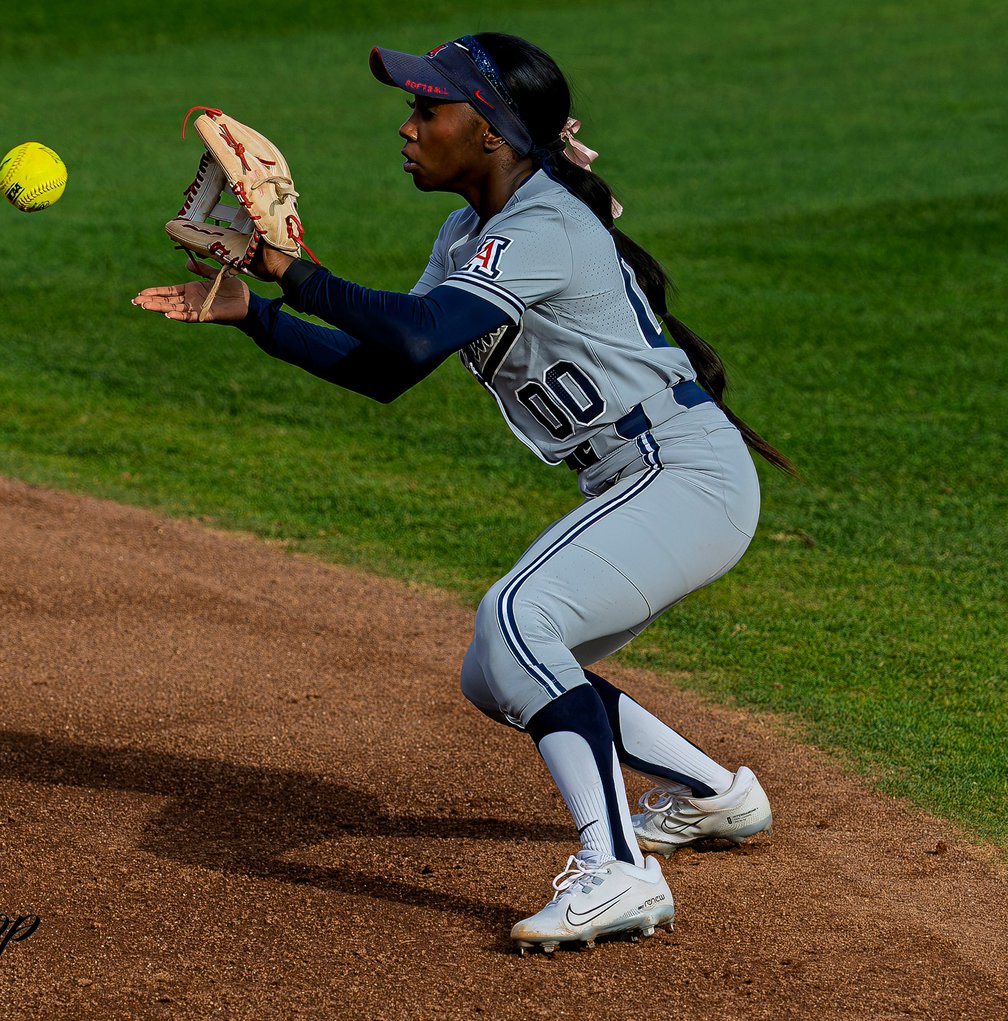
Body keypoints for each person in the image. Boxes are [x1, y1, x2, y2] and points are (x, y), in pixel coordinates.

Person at [134, 33, 793, 953]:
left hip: (682, 474)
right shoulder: (468, 234)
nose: (407, 129)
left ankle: (618, 872)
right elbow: (385, 367)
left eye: (426, 110)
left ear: (488, 132)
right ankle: (714, 794)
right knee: (497, 669)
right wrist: (257, 314)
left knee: (517, 620)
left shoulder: (547, 225)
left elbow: (413, 334)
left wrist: (289, 265)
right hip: (642, 479)